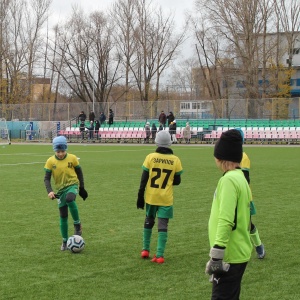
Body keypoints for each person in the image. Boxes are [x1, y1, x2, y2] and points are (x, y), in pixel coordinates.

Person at [205, 129, 252, 300]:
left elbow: (226, 219)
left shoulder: (229, 180)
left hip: (229, 255)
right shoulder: (241, 177)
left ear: (221, 158)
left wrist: (217, 253)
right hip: (239, 251)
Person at [137, 130, 183, 264]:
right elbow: (178, 181)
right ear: (170, 142)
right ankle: (160, 255)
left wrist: (140, 195)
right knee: (162, 225)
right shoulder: (175, 160)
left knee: (148, 221)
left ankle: (145, 250)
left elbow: (143, 179)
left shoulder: (150, 157)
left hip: (151, 196)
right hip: (166, 198)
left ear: (156, 141)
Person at [43, 136, 88, 251]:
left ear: (66, 149)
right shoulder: (50, 161)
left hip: (72, 185)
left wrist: (81, 187)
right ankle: (64, 241)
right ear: (54, 150)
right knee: (63, 216)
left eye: (63, 151)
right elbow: (46, 179)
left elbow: (80, 172)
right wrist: (50, 191)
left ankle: (77, 225)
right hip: (60, 190)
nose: (61, 154)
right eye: (58, 151)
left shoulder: (72, 158)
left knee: (70, 199)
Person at [237, 129, 265, 259]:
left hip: (244, 195)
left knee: (247, 223)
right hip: (231, 194)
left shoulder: (243, 156)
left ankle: (258, 244)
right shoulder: (228, 156)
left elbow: (246, 178)